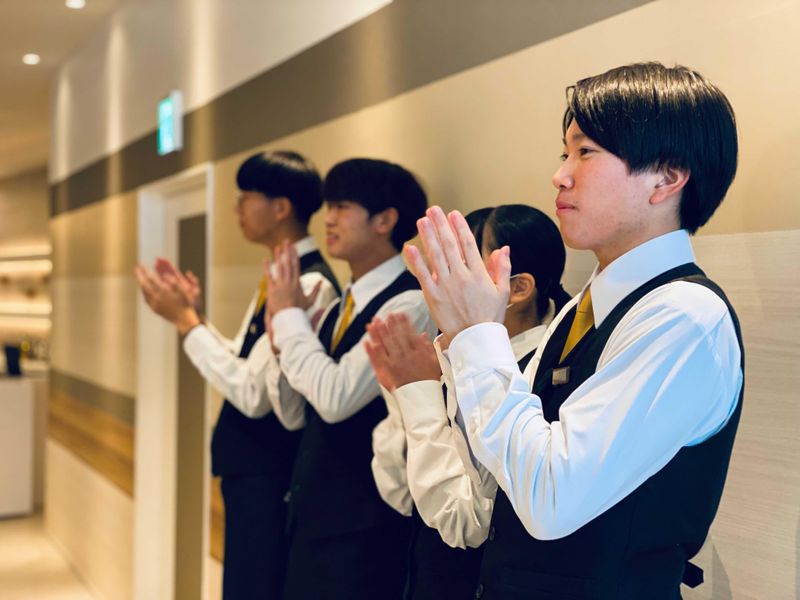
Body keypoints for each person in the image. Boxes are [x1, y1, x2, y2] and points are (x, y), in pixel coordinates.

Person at [405, 63, 743, 599]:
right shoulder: (580, 308)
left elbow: (551, 499)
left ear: (666, 178)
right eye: (564, 154)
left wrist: (477, 334)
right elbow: (494, 484)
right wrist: (460, 342)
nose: (560, 176)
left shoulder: (684, 316)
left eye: (585, 152)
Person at [135, 150, 339, 599]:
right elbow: (250, 364)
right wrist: (195, 318)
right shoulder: (280, 274)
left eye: (245, 197)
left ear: (281, 207)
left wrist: (186, 323)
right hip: (253, 470)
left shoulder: (309, 284)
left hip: (270, 471)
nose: (236, 209)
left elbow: (253, 394)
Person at [366, 204, 571, 599]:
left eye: (462, 268)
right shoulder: (448, 352)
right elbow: (401, 493)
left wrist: (420, 394)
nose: (439, 284)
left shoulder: (535, 376)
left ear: (518, 288)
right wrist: (404, 392)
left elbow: (467, 523)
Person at [263, 158, 437, 600]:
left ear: (385, 220)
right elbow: (294, 412)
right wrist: (283, 344)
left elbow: (335, 399)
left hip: (363, 528)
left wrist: (287, 318)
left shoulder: (408, 304)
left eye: (341, 206)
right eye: (328, 207)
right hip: (311, 512)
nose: (328, 219)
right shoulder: (342, 304)